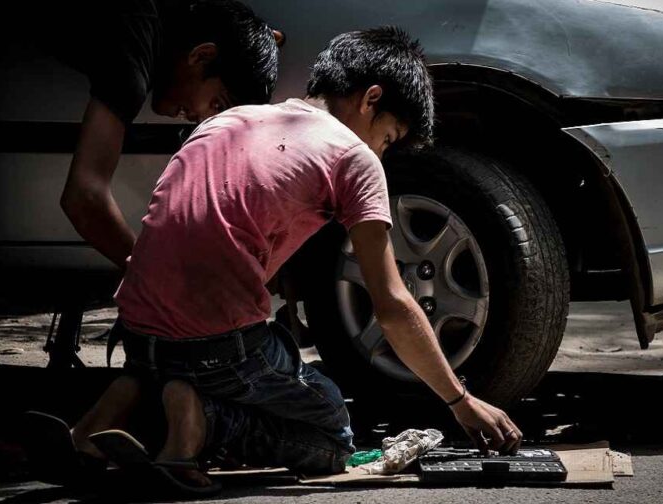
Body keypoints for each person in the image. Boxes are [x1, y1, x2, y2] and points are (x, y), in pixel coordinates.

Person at [26, 27, 523, 493]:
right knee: (331, 433)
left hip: (136, 330)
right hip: (215, 347)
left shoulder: (228, 119)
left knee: (202, 348)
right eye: (389, 138)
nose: (382, 151)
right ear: (371, 99)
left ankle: (107, 416)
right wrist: (461, 402)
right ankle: (200, 418)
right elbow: (391, 304)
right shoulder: (354, 157)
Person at [21, 0, 281, 269]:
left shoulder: (161, 18)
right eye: (216, 104)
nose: (201, 120)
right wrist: (159, 279)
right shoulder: (131, 54)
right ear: (201, 55)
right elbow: (85, 197)